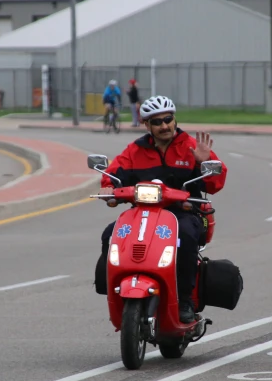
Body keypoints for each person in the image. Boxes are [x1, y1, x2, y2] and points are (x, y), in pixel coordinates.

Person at [96, 95, 228, 324]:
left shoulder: (191, 146)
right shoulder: (135, 150)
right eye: (157, 122)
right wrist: (108, 187)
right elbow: (115, 173)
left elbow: (215, 185)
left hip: (183, 213)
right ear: (146, 125)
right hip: (143, 213)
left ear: (174, 119)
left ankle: (185, 300)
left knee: (185, 238)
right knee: (111, 234)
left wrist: (202, 162)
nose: (164, 125)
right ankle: (114, 286)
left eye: (168, 119)